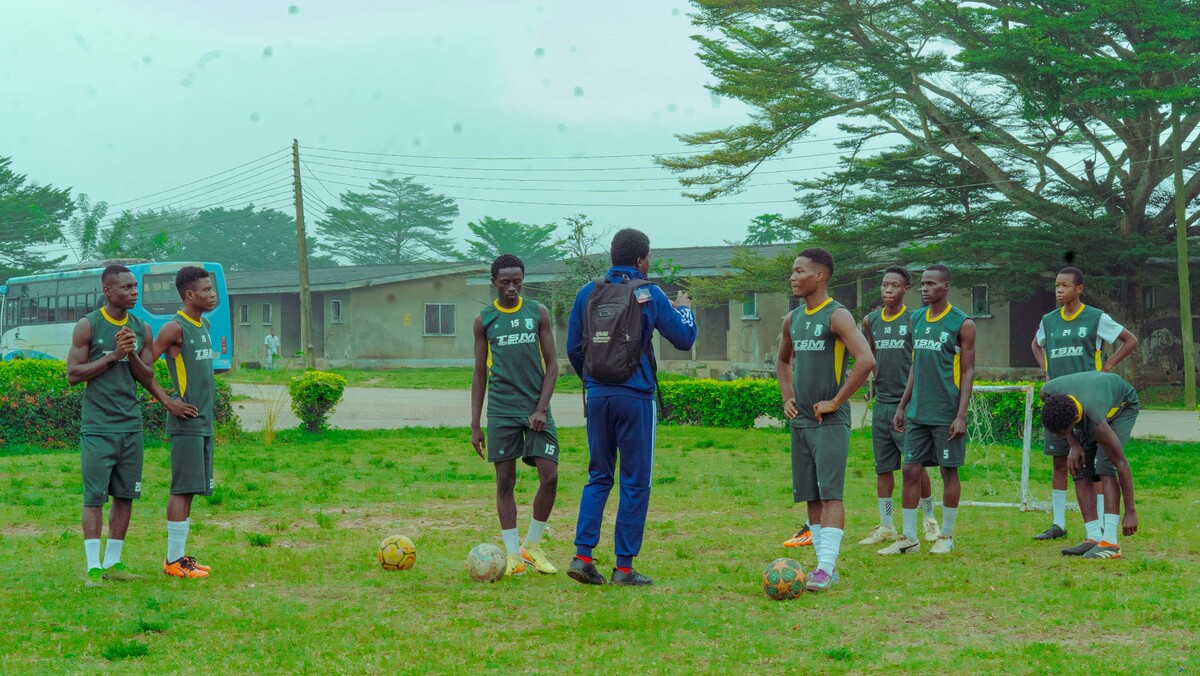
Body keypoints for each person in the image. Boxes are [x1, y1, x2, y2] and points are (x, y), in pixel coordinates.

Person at [566, 228, 697, 587]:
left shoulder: (587, 292)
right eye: (648, 257)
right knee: (635, 481)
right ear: (641, 260)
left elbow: (574, 348)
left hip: (598, 396)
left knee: (599, 476)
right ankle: (623, 567)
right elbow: (684, 338)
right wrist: (685, 309)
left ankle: (582, 556)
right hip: (636, 396)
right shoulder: (648, 292)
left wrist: (594, 380)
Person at [66, 265, 197, 587]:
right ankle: (93, 567)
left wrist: (131, 354)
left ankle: (113, 562)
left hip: (131, 425)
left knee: (125, 496)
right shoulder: (88, 325)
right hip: (98, 426)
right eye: (126, 287)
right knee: (94, 497)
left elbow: (146, 376)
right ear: (108, 291)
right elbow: (73, 374)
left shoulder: (141, 327)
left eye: (135, 286)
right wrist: (113, 355)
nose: (134, 292)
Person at [775, 248, 875, 592]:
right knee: (811, 495)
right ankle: (824, 566)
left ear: (819, 276)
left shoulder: (837, 316)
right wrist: (787, 397)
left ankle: (825, 567)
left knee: (831, 493)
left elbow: (866, 360)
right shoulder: (792, 319)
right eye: (792, 271)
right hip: (801, 422)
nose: (793, 277)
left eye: (799, 271)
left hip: (829, 423)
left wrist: (835, 401)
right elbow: (783, 362)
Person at [1030, 267, 1138, 541]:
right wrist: (1046, 370)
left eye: (1065, 286)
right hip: (1060, 404)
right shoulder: (1049, 320)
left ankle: (1101, 527)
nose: (1059, 290)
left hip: (1089, 403)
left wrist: (1107, 367)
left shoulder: (1095, 318)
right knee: (1061, 461)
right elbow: (1035, 344)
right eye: (1056, 285)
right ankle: (1058, 523)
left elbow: (1130, 340)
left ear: (1079, 289)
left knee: (1095, 467)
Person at [470, 254, 561, 577]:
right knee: (505, 480)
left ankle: (532, 545)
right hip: (501, 410)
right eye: (505, 282)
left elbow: (553, 365)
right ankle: (512, 555)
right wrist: (475, 425)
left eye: (517, 282)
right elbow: (479, 374)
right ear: (494, 282)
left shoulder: (537, 312)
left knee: (550, 476)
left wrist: (541, 408)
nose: (512, 288)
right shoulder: (484, 320)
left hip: (536, 408)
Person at [881, 264, 975, 556]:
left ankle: (946, 535)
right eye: (922, 283)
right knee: (910, 469)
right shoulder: (917, 318)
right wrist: (903, 405)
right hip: (917, 412)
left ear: (946, 286)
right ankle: (909, 538)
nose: (924, 288)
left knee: (948, 471)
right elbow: (915, 366)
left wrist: (961, 415)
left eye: (931, 284)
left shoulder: (962, 323)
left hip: (946, 413)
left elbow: (969, 371)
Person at [857, 266, 939, 546]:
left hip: (908, 406)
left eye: (894, 285)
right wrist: (874, 386)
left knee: (915, 466)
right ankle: (886, 525)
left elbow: (921, 358)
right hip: (882, 404)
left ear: (906, 289)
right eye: (884, 285)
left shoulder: (915, 318)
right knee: (883, 468)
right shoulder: (870, 320)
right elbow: (869, 357)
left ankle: (930, 519)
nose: (888, 290)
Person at [149, 266, 219, 579]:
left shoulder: (204, 324)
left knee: (191, 490)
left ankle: (180, 557)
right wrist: (168, 401)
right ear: (189, 295)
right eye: (206, 290)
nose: (212, 295)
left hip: (203, 422)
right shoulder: (174, 328)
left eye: (211, 289)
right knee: (181, 489)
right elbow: (142, 366)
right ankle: (173, 560)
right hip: (186, 422)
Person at [1039, 371, 1139, 559]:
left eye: (1063, 432)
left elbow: (1122, 464)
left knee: (1105, 465)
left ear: (1074, 418)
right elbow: (1044, 396)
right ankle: (1094, 536)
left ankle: (1110, 543)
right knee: (1079, 465)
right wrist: (1073, 443)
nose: (1059, 436)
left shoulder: (1094, 420)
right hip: (1091, 401)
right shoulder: (1049, 391)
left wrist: (1130, 511)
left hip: (1123, 406)